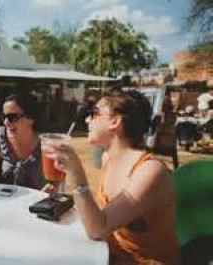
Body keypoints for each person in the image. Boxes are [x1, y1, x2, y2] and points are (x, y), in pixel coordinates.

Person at [44, 90, 179, 263]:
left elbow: (98, 229)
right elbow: (103, 216)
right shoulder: (108, 158)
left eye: (94, 114)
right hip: (107, 256)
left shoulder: (150, 171)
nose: (87, 120)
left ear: (115, 121)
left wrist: (76, 173)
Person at [0, 93, 56, 192]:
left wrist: (50, 189)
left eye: (12, 117)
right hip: (4, 202)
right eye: (3, 117)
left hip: (37, 204)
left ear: (30, 118)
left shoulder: (46, 144)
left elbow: (55, 180)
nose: (6, 123)